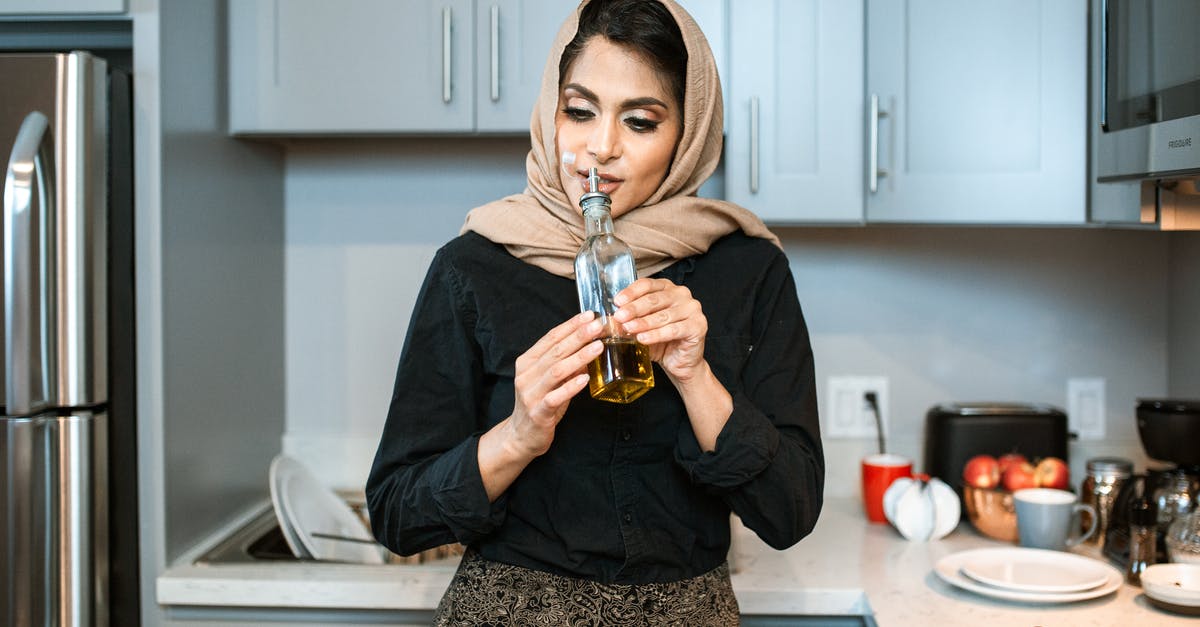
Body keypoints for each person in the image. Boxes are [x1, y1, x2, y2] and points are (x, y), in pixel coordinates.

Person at [365, 0, 823, 623]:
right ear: (550, 111)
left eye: (640, 122)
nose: (599, 149)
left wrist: (696, 378)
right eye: (579, 112)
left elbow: (790, 512)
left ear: (687, 134)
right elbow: (396, 514)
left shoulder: (747, 269)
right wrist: (518, 435)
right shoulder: (472, 266)